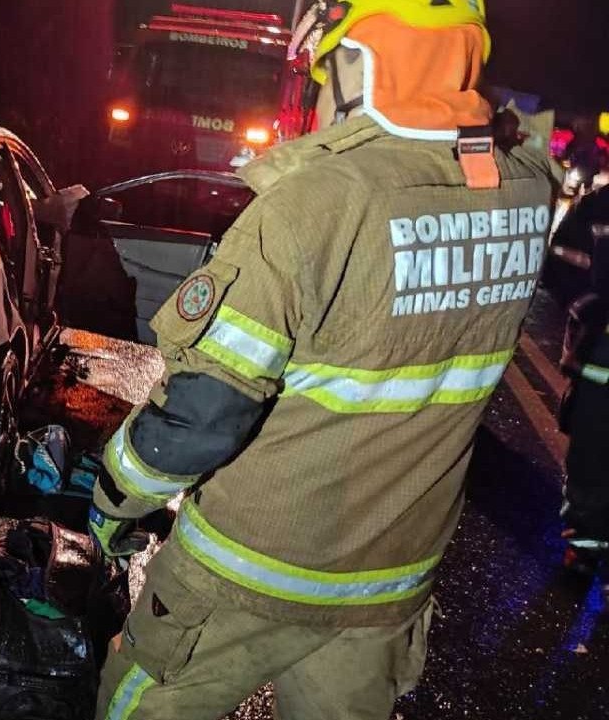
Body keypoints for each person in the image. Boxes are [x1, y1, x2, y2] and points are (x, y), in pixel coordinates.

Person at [88, 2, 558, 718]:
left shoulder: (311, 206)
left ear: (363, 65)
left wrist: (113, 500)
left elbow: (204, 415)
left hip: (248, 572)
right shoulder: (525, 193)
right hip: (389, 584)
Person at [557, 186, 609, 575]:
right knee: (591, 453)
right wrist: (588, 305)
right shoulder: (600, 205)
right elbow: (562, 259)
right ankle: (586, 545)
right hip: (601, 359)